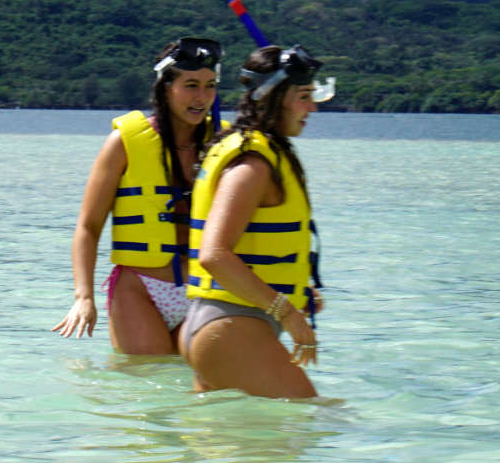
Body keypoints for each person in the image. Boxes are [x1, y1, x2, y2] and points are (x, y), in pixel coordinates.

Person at [53, 37, 226, 354]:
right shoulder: (123, 143)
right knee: (149, 388)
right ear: (166, 86)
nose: (202, 97)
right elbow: (88, 227)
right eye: (190, 85)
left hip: (206, 290)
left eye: (210, 85)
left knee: (207, 392)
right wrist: (84, 297)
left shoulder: (225, 146)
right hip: (142, 291)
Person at [180, 44, 333, 398]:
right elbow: (213, 255)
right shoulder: (253, 166)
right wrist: (288, 313)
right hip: (229, 330)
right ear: (274, 97)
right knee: (315, 424)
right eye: (303, 96)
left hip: (225, 330)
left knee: (225, 447)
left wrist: (296, 291)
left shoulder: (260, 154)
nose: (312, 107)